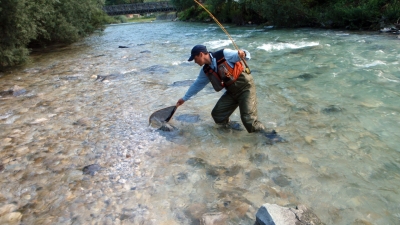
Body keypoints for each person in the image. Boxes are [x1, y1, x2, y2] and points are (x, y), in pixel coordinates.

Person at [176, 45, 284, 143]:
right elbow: (197, 85)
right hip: (232, 92)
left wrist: (243, 53)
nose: (195, 61)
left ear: (201, 54)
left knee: (248, 119)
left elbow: (245, 55)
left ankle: (270, 137)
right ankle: (233, 129)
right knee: (217, 114)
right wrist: (184, 98)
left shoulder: (224, 54)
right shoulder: (205, 70)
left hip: (246, 88)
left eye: (195, 59)